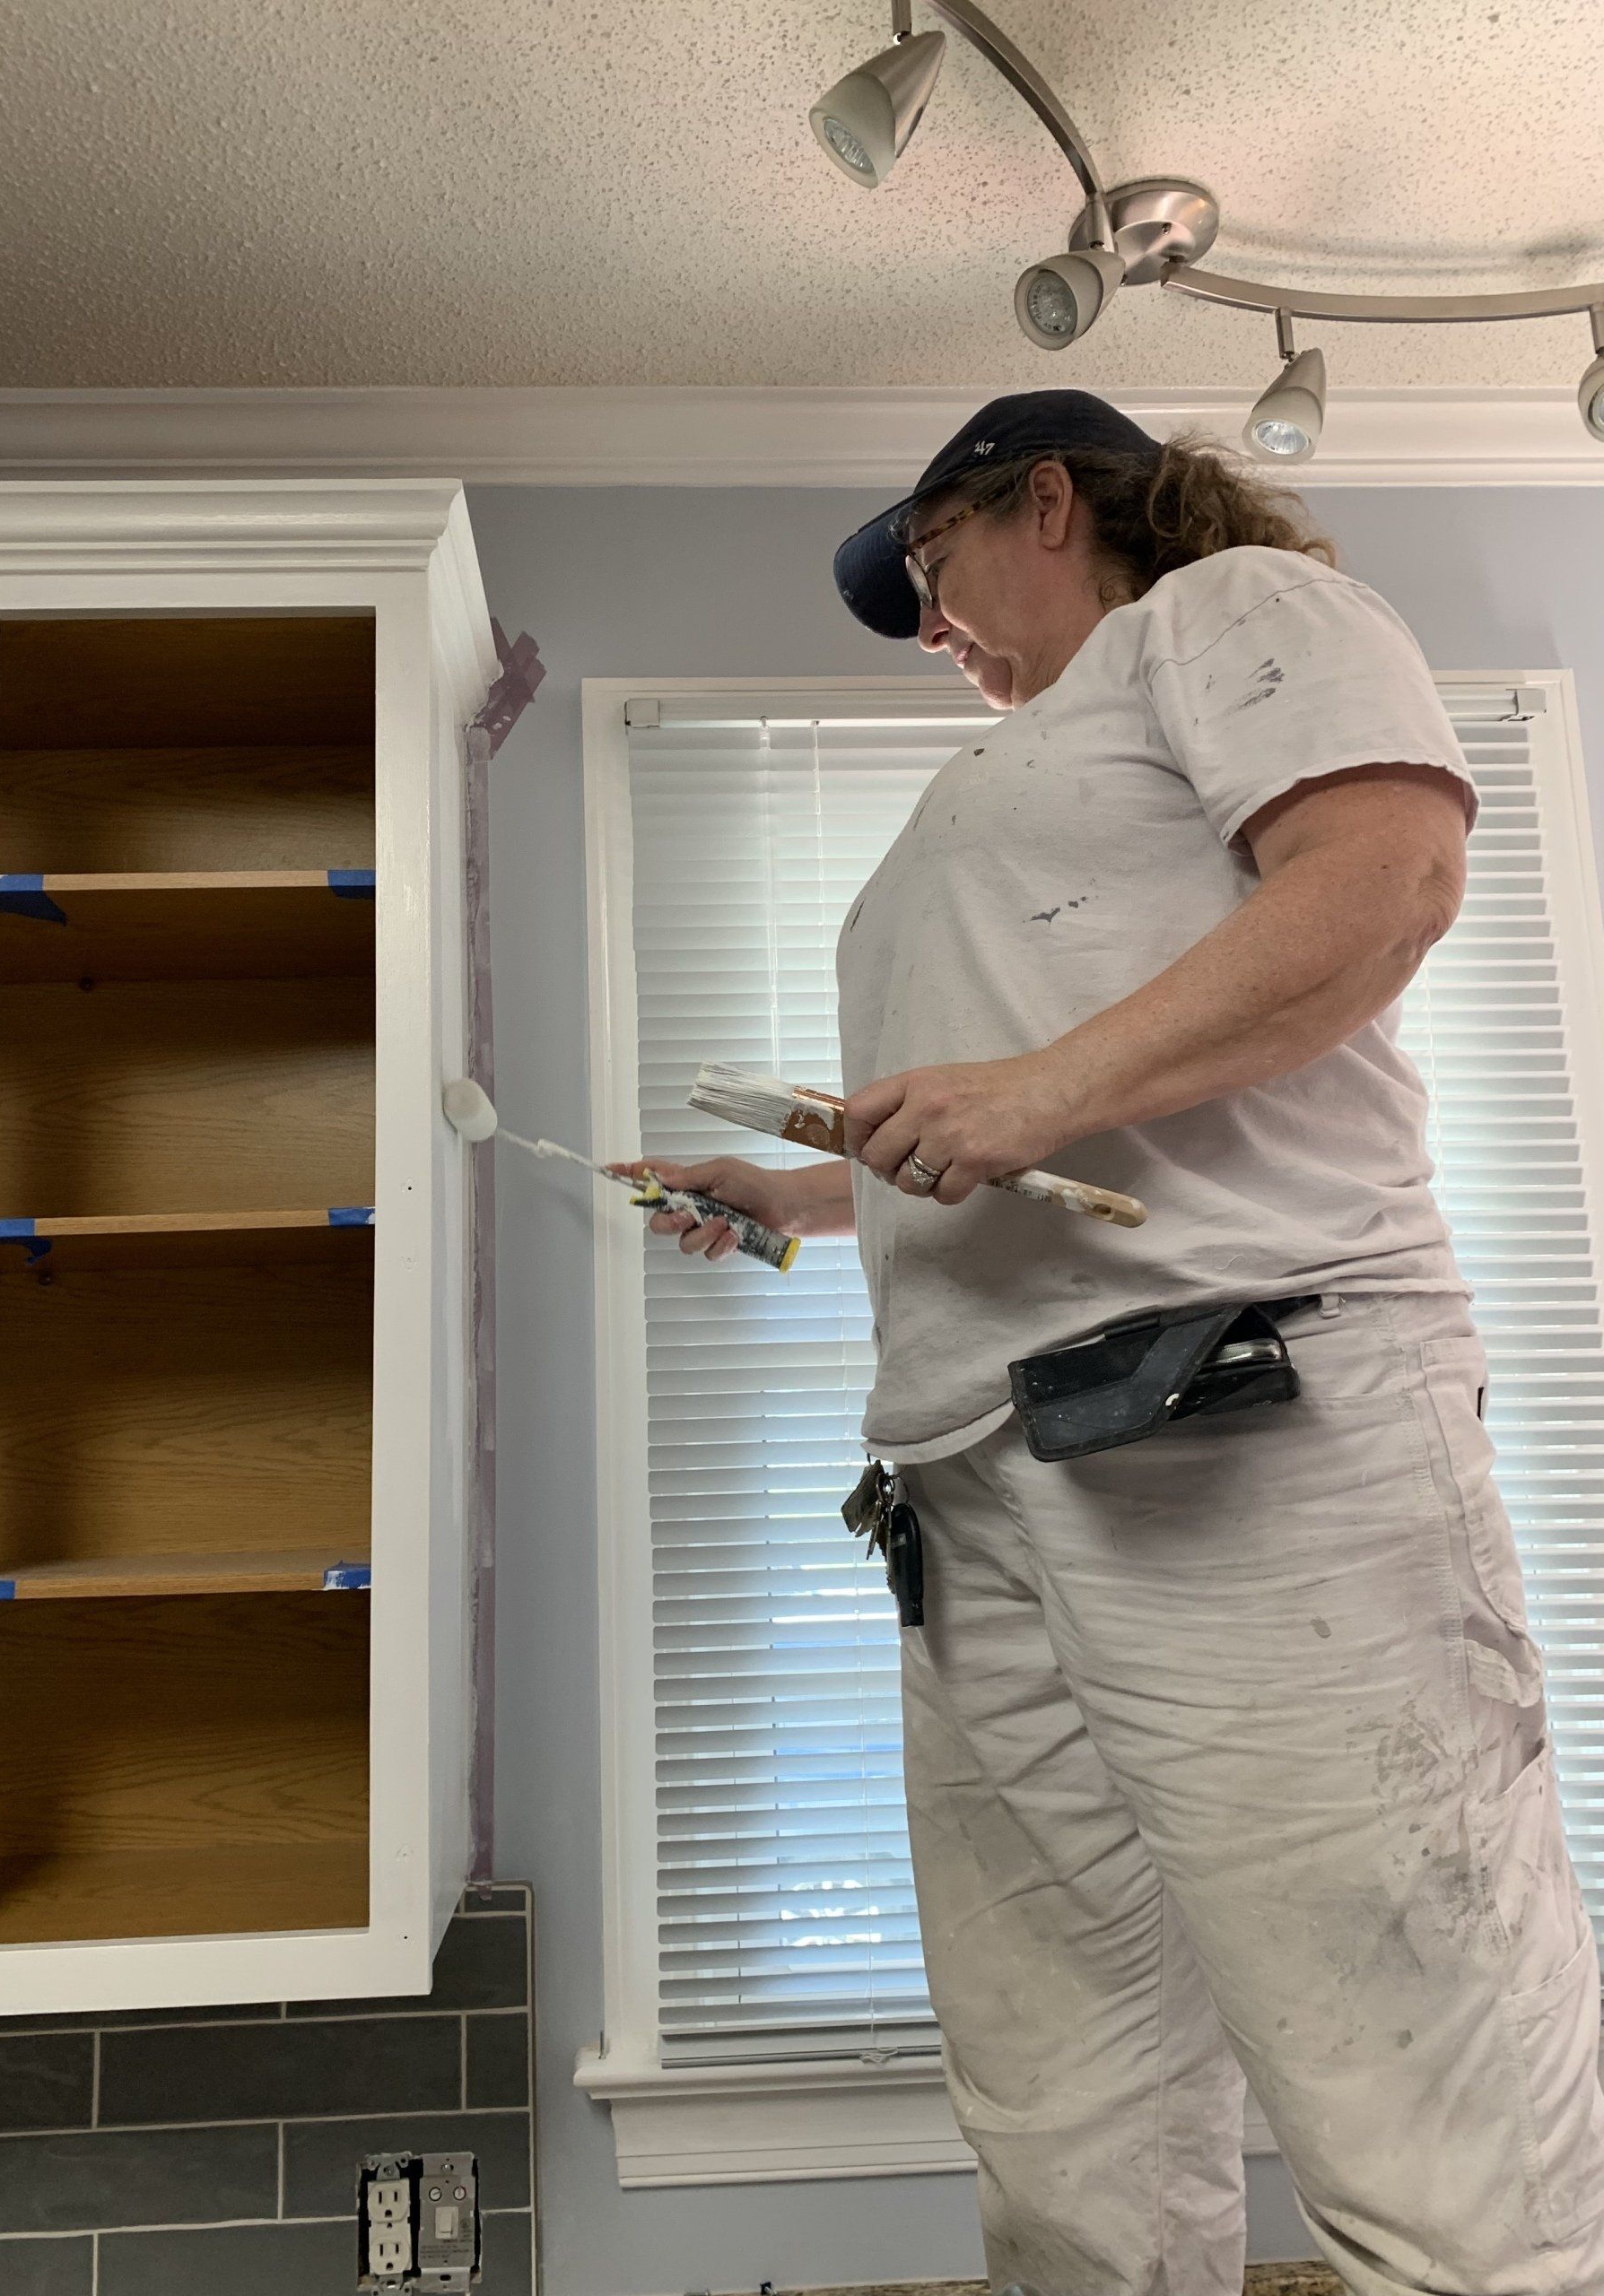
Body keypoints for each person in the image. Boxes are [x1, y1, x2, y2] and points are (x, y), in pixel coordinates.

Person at [615, 390, 1604, 2294]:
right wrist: (804, 1192)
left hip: (1244, 1423)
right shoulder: (1009, 785)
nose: (931, 628)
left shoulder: (1236, 617)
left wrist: (1037, 1091)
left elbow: (1384, 882)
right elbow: (1016, 1128)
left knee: (1426, 2086)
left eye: (929, 567)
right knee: (1064, 2113)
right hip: (975, 1486)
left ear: (1046, 500)